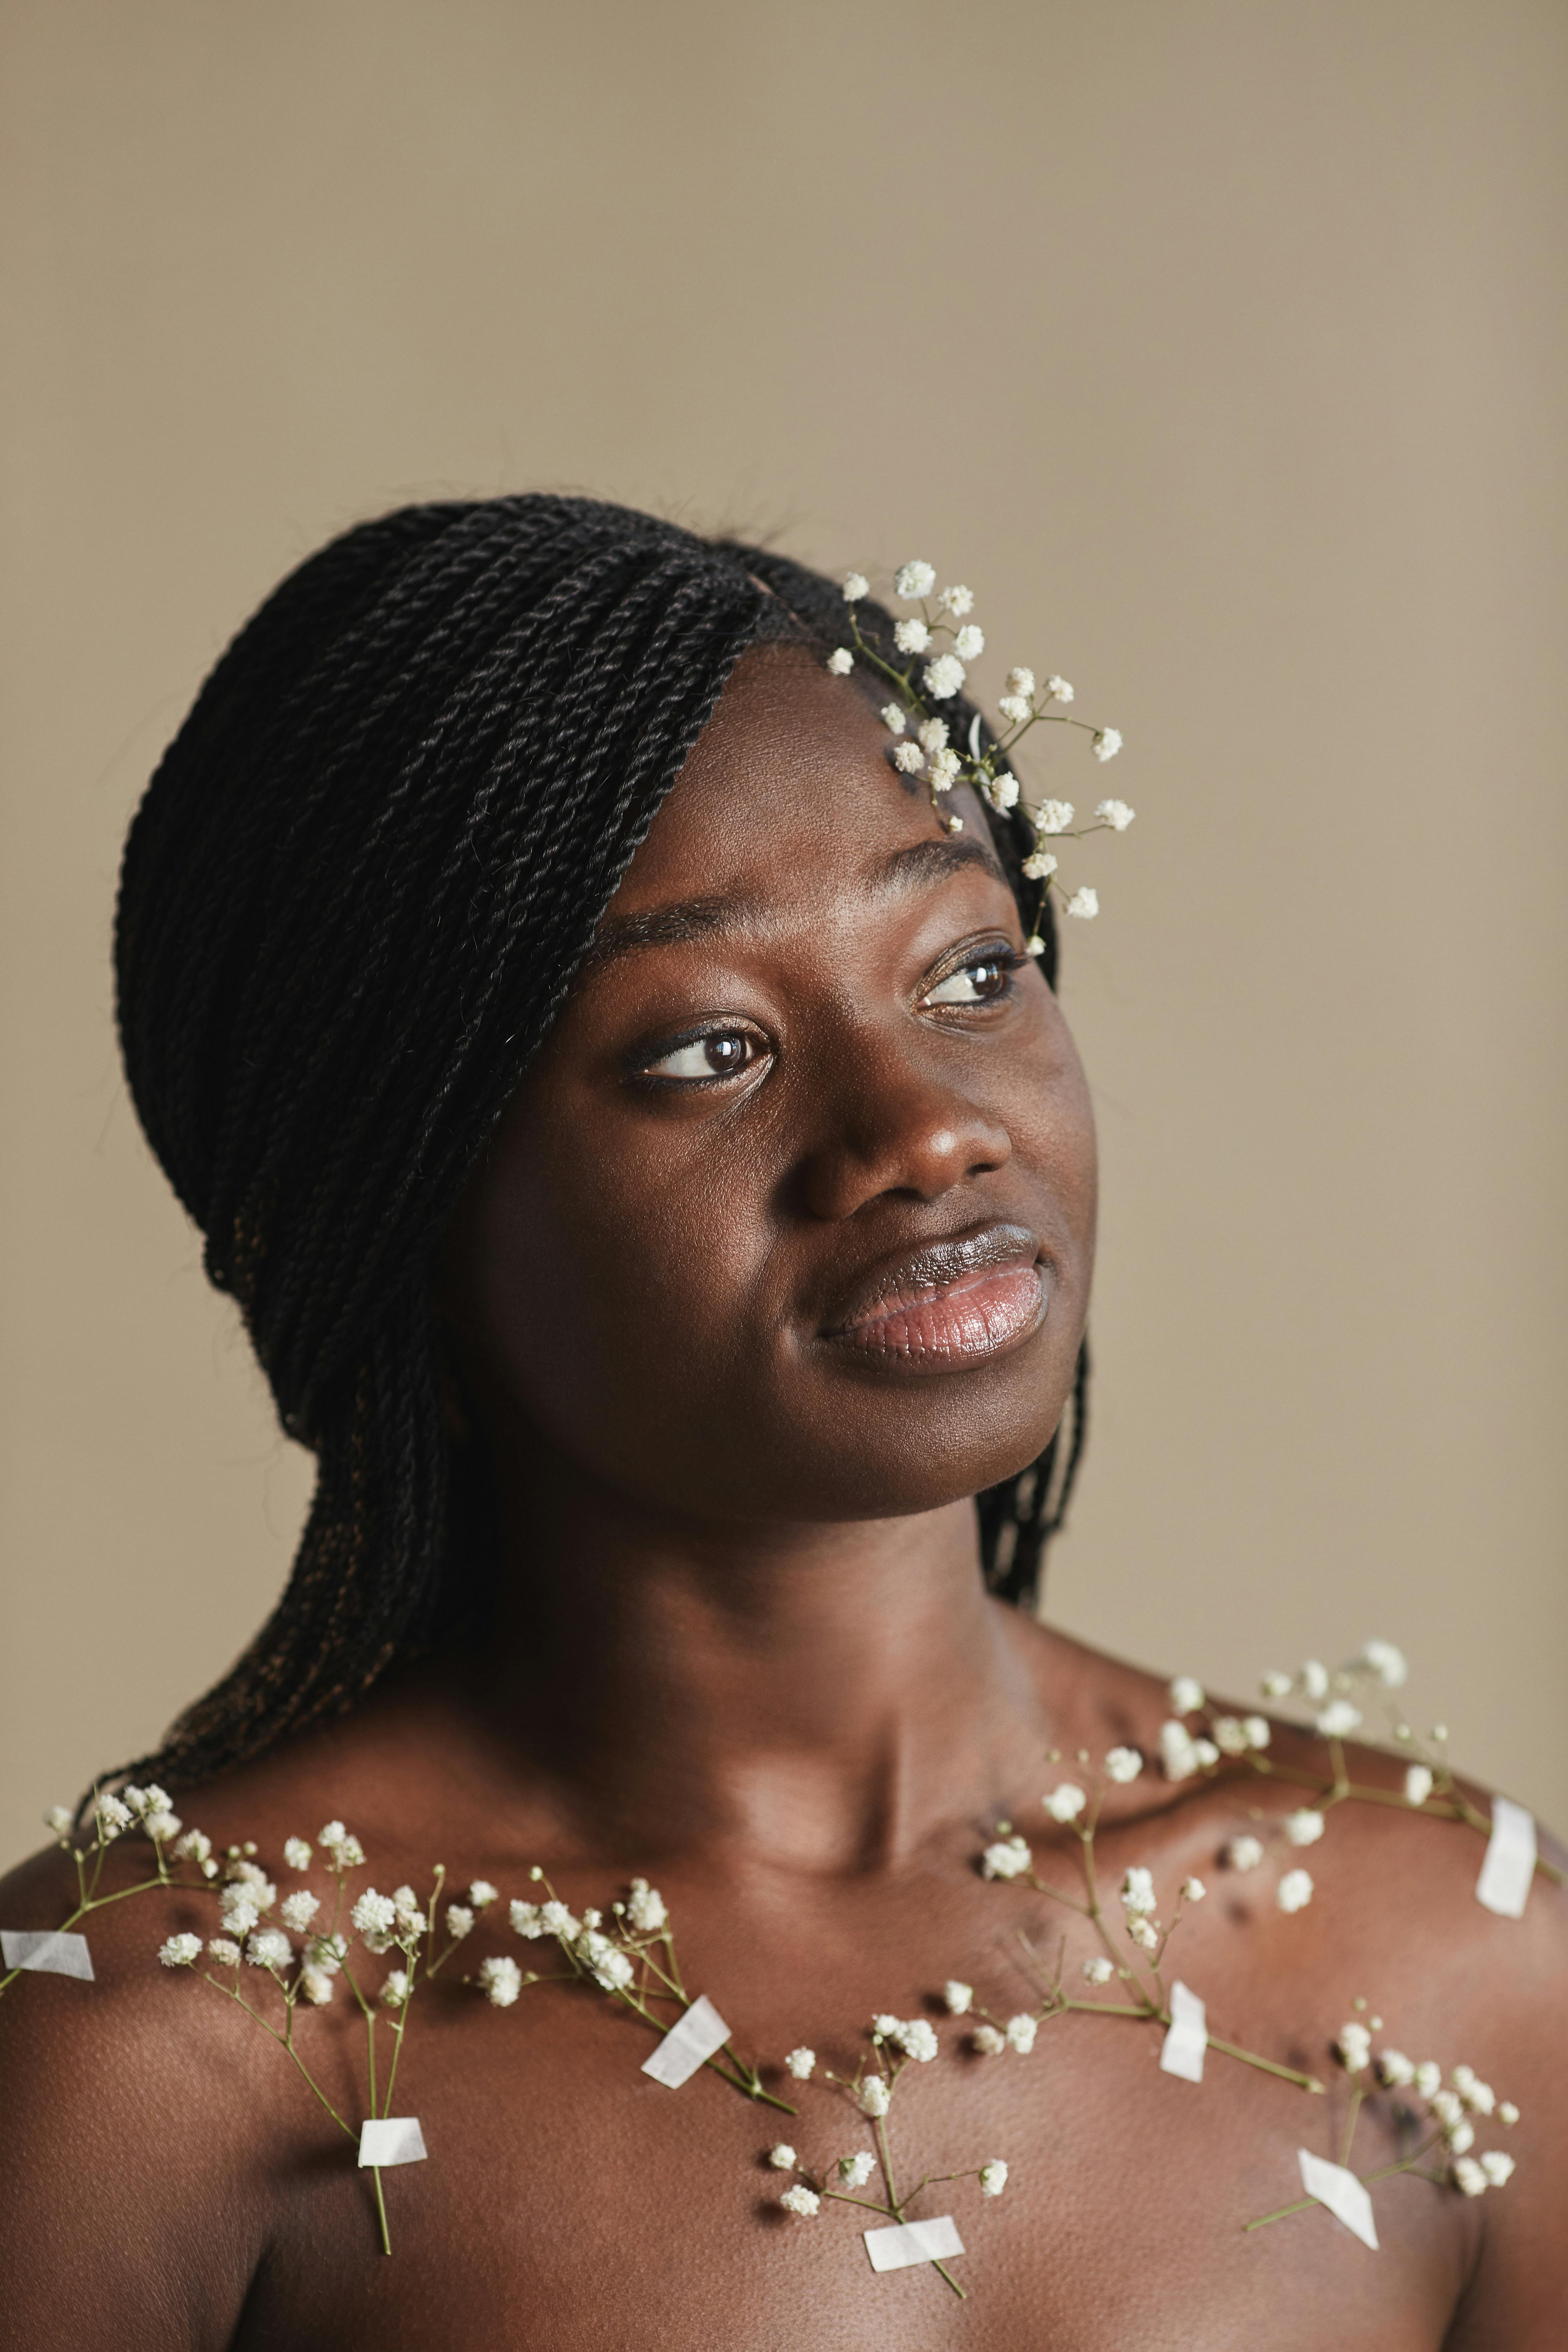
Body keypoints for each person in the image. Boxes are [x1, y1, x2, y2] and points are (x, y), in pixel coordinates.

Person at [0, 496, 1562, 2348]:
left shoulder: (1453, 1959)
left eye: (972, 972)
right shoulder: (162, 2048)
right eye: (704, 1050)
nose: (924, 1129)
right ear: (389, 1204)